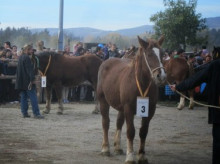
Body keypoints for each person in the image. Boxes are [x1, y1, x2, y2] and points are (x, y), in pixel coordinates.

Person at [170, 58, 220, 164]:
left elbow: (196, 79)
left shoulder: (215, 65)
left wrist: (178, 87)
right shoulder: (214, 65)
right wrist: (179, 87)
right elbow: (195, 79)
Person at [15, 44, 44, 119]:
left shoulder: (21, 57)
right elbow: (29, 70)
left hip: (22, 81)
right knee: (33, 97)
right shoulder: (27, 58)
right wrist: (32, 79)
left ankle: (24, 113)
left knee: (24, 97)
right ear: (27, 50)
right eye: (31, 49)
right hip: (28, 81)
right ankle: (36, 113)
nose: (32, 51)